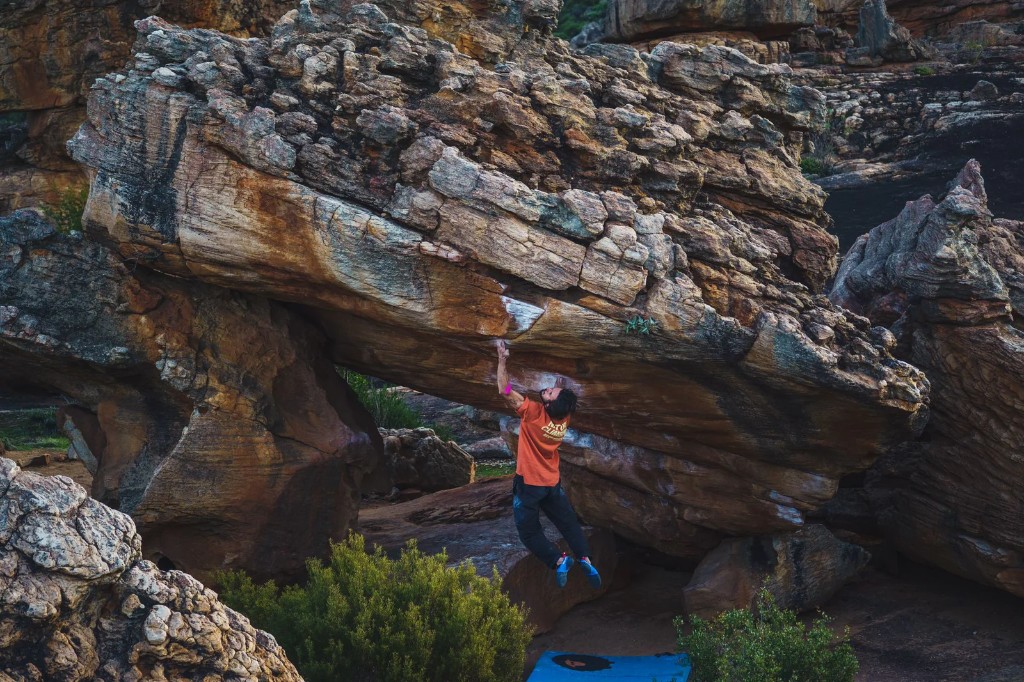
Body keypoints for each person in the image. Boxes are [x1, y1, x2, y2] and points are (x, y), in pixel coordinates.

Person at [495, 340, 601, 589]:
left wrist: (502, 358)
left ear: (549, 404)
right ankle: (585, 558)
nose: (547, 390)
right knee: (568, 523)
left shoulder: (533, 412)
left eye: (550, 393)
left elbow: (504, 390)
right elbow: (561, 394)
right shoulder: (563, 416)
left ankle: (559, 561)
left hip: (529, 483)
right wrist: (559, 384)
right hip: (551, 483)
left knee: (529, 531)